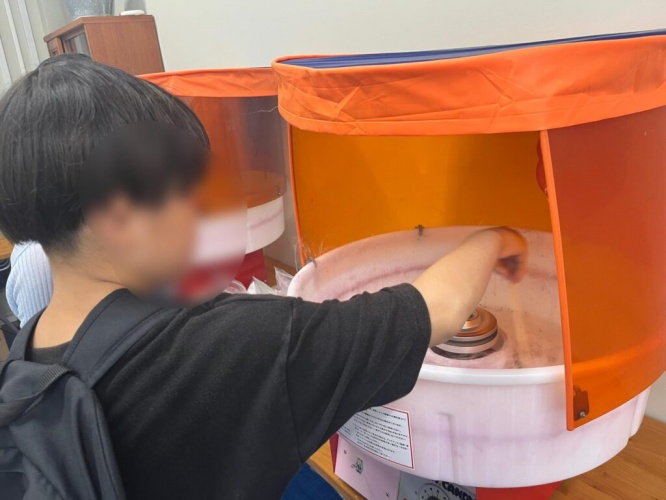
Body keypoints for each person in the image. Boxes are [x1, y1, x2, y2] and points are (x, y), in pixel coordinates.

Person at [0, 55, 527, 499]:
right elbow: (434, 310)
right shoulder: (229, 345)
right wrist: (493, 240)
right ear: (119, 216)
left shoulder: (28, 355)